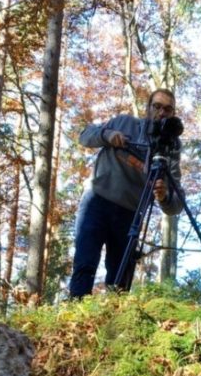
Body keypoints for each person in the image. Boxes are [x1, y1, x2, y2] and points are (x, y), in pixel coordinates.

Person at [68, 89, 183, 298]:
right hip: (96, 201)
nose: (161, 112)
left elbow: (176, 202)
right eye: (157, 106)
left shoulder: (171, 146)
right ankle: (75, 312)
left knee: (120, 280)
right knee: (85, 264)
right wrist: (107, 135)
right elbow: (84, 136)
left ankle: (115, 316)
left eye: (168, 109)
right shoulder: (124, 123)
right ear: (148, 108)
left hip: (130, 213)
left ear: (173, 113)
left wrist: (164, 196)